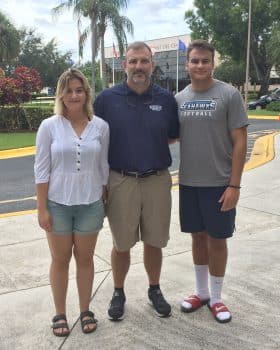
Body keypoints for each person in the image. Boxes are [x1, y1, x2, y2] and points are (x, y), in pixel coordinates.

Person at [94, 41, 179, 321]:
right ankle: (118, 292)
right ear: (124, 65)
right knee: (121, 244)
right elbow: (96, 139)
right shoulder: (106, 99)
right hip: (120, 180)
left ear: (152, 65)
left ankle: (154, 289)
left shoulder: (166, 99)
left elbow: (171, 135)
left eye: (144, 61)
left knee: (154, 241)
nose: (139, 67)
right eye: (133, 61)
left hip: (157, 180)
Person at [175, 39, 248, 323]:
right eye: (195, 61)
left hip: (220, 184)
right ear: (187, 65)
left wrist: (235, 185)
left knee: (218, 240)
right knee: (197, 238)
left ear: (212, 63)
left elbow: (240, 142)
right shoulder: (179, 99)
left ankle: (217, 298)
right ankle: (201, 292)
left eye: (205, 60)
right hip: (189, 183)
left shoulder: (228, 95)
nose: (200, 65)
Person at [34, 68, 109, 336]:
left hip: (90, 204)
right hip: (57, 205)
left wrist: (105, 201)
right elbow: (41, 169)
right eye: (68, 90)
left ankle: (85, 309)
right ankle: (60, 313)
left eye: (79, 90)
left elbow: (103, 168)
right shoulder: (49, 126)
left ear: (86, 94)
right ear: (61, 95)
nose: (74, 95)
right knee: (60, 259)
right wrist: (41, 208)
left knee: (85, 259)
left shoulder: (100, 126)